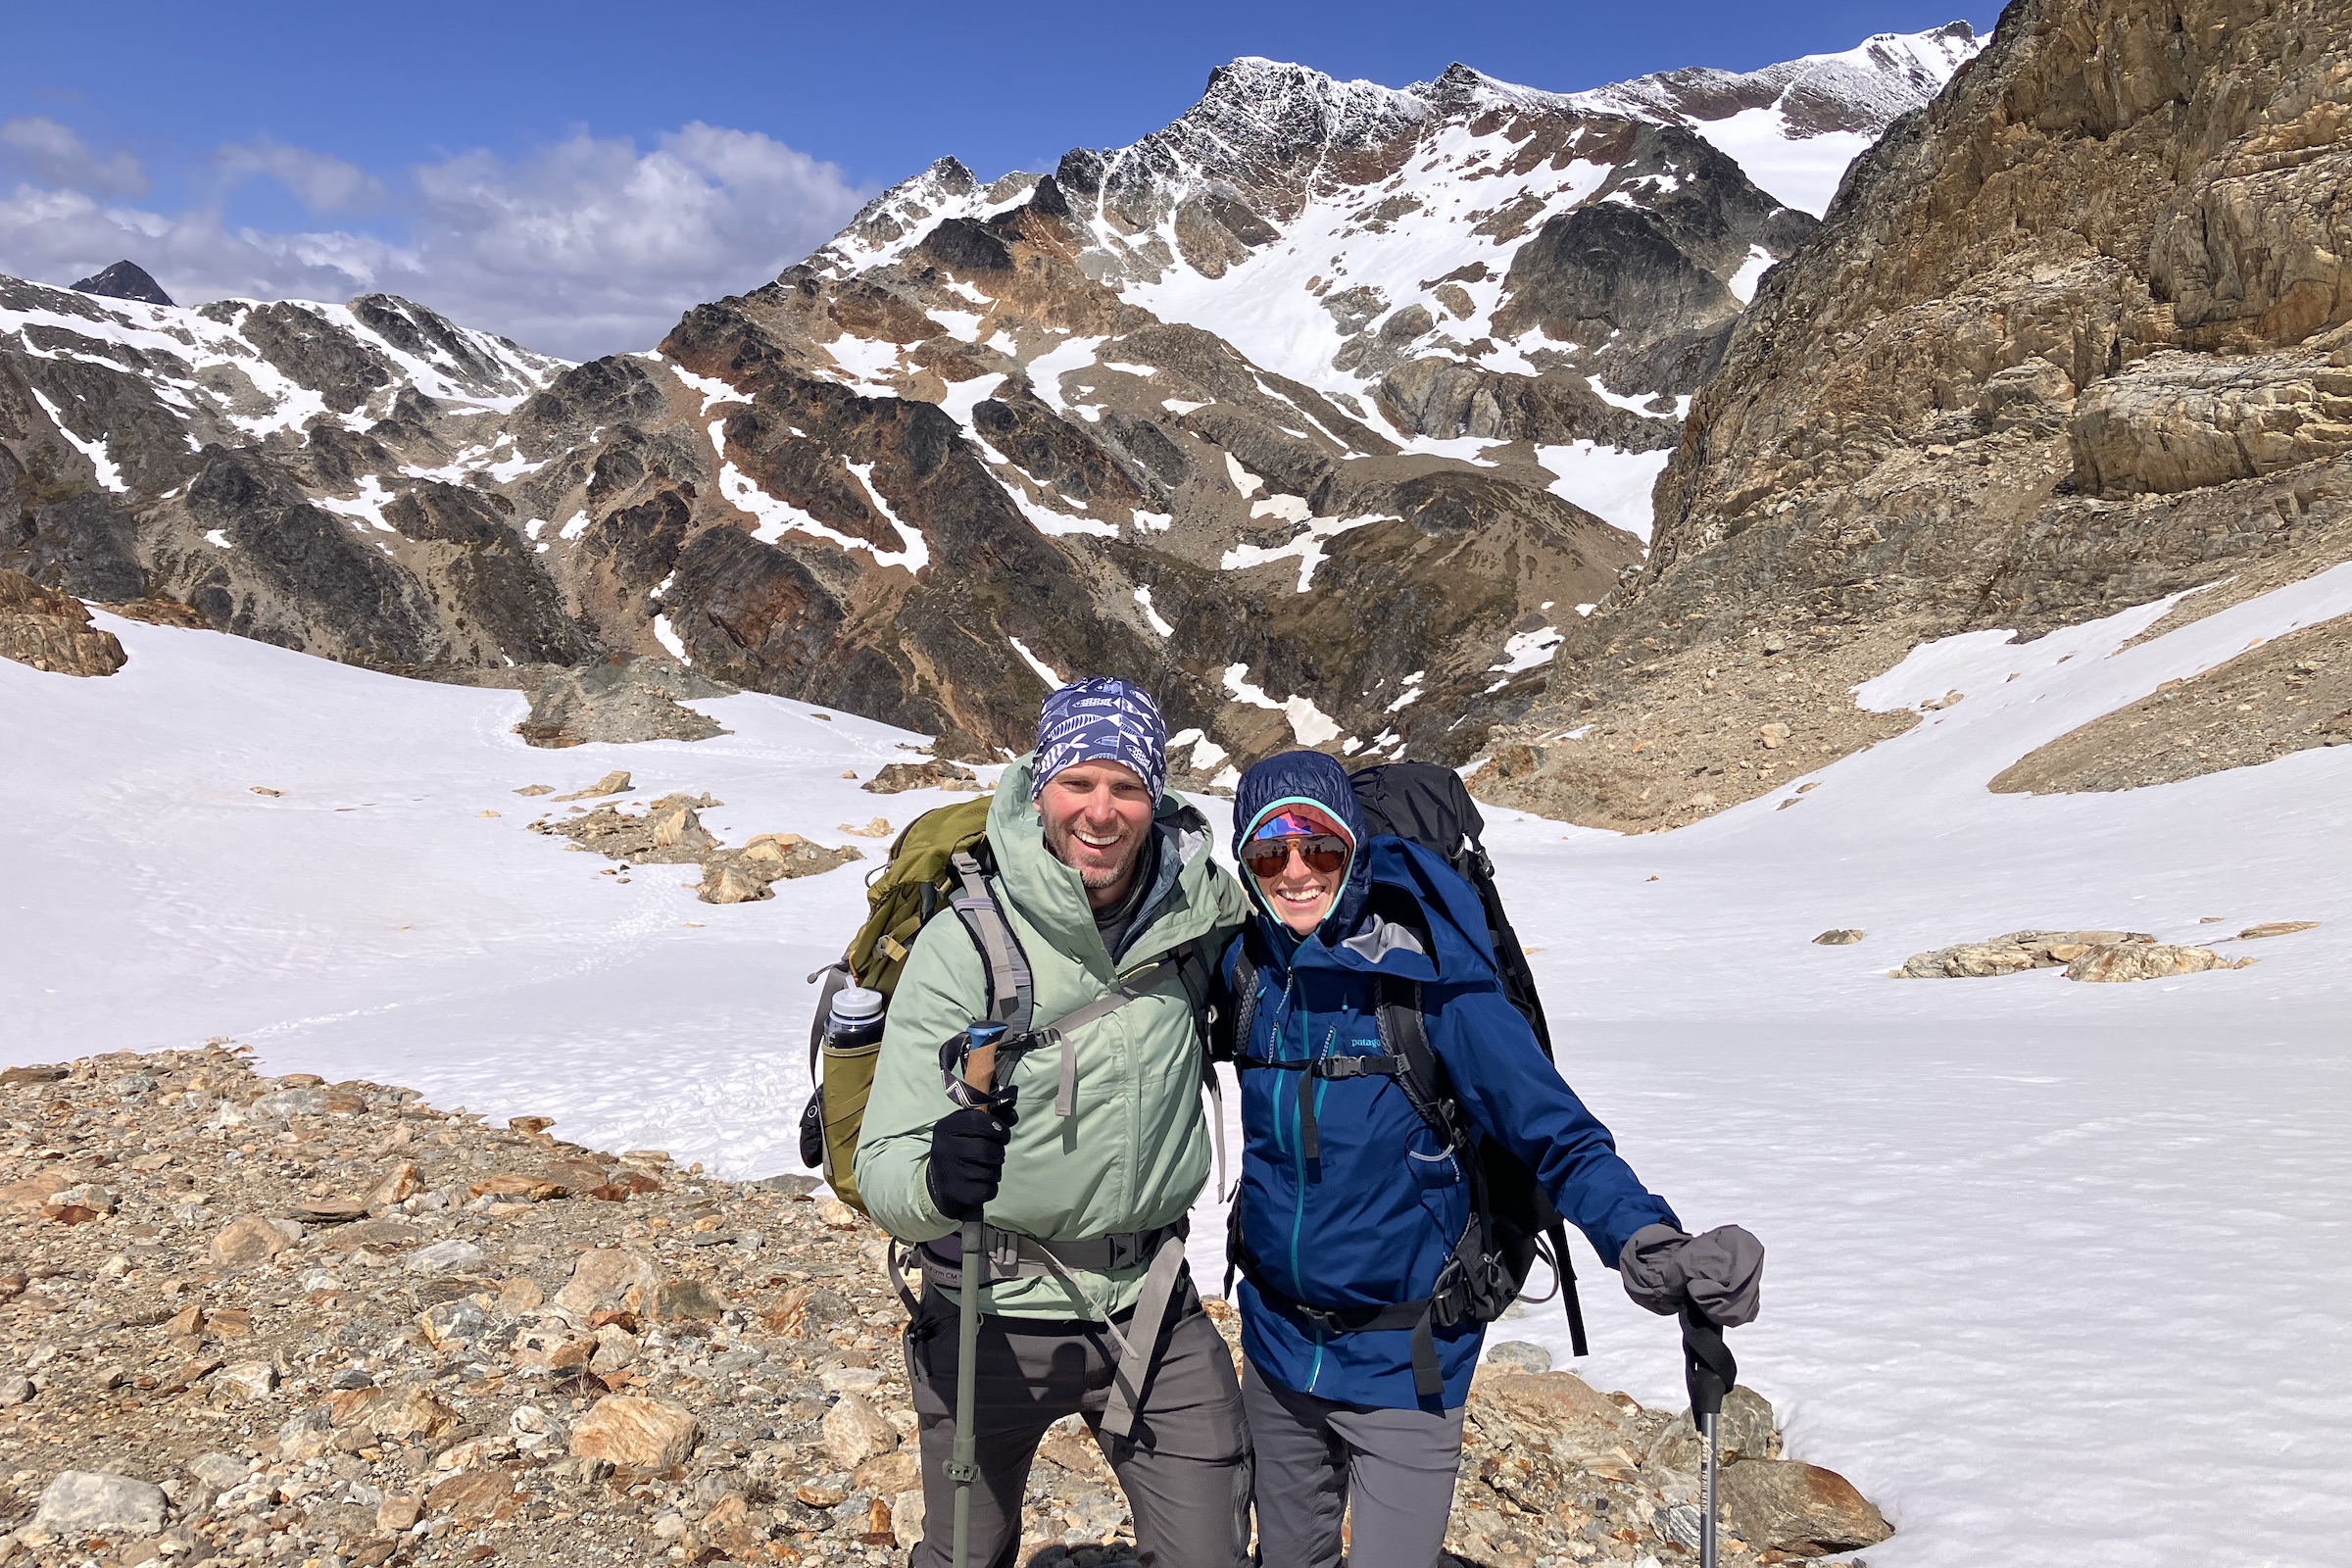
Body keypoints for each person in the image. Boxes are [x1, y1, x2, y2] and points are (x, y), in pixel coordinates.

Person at [1223, 750, 1765, 1568]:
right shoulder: (1247, 971)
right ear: (1246, 863)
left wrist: (1647, 1240)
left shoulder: (1436, 986)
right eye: (1271, 852)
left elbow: (1558, 1137)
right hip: (1274, 1348)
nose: (1297, 871)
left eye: (1321, 848)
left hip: (1405, 1361)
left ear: (1354, 851)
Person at [856, 678, 1252, 1568]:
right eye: (1079, 783)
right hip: (986, 1311)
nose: (1101, 813)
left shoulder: (1200, 923)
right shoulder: (964, 945)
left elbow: (1305, 907)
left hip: (1150, 1305)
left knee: (1212, 1550)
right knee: (967, 1556)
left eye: (1127, 787)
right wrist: (934, 1180)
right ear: (1041, 787)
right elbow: (882, 1164)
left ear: (1159, 799)